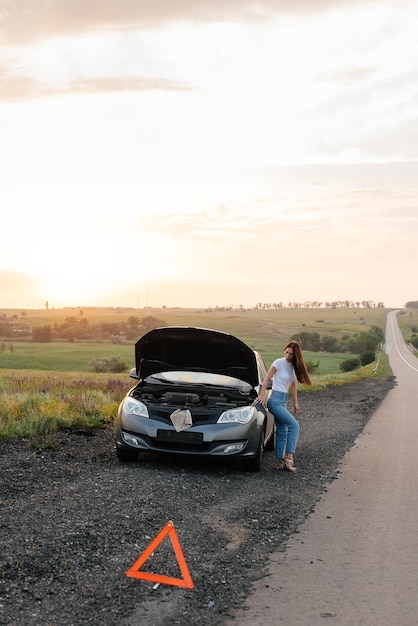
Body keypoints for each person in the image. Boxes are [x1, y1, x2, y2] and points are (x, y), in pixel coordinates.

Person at [258, 340, 312, 472]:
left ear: (296, 355)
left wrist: (295, 403)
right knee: (294, 425)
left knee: (282, 430)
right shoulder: (278, 363)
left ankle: (280, 461)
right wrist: (261, 395)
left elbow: (293, 386)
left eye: (291, 354)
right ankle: (289, 459)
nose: (287, 356)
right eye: (286, 352)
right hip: (274, 400)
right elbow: (266, 379)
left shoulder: (293, 367)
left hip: (283, 400)